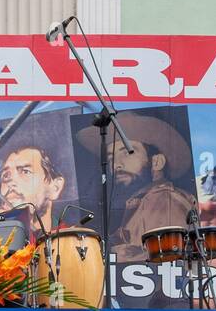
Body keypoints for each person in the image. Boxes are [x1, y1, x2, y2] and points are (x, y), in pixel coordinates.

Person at [75, 113, 195, 263]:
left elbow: (162, 260)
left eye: (127, 153)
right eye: (111, 158)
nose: (117, 164)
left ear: (157, 162)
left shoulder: (163, 198)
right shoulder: (140, 201)